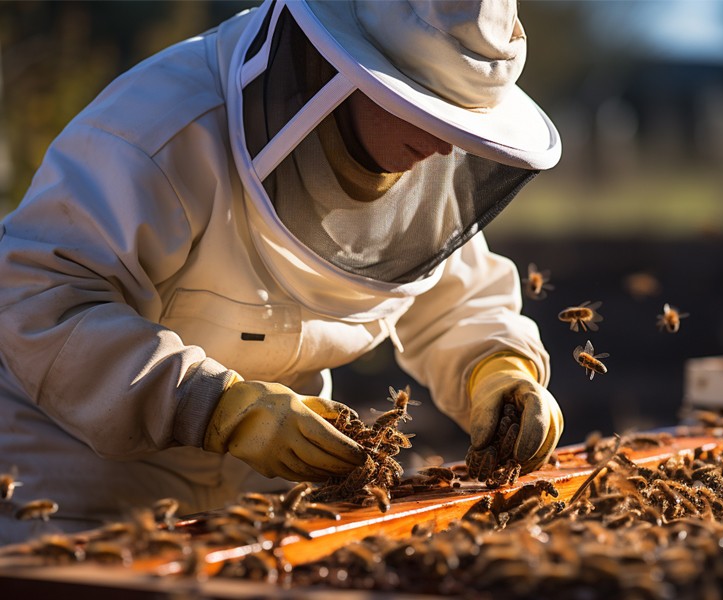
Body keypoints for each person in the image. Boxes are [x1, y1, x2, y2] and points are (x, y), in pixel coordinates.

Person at [0, 0, 563, 542]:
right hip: (74, 484)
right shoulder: (159, 130)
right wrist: (218, 405)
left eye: (460, 120)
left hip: (265, 495)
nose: (444, 143)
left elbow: (455, 300)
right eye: (420, 104)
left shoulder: (422, 156)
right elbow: (38, 300)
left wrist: (496, 367)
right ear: (345, 65)